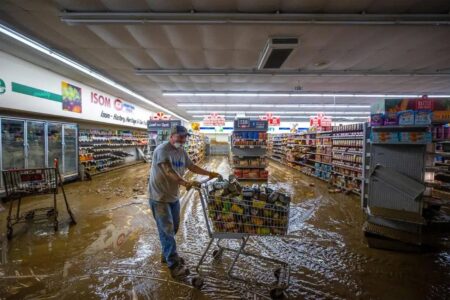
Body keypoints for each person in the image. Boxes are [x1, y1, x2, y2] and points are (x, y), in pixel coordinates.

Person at [148, 125, 220, 278]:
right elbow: (168, 171)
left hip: (173, 195)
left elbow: (192, 166)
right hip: (159, 196)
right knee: (167, 229)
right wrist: (185, 183)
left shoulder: (181, 151)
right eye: (181, 137)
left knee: (174, 227)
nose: (184, 140)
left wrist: (210, 173)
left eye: (185, 137)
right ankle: (174, 265)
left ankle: (166, 254)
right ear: (172, 136)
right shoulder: (162, 150)